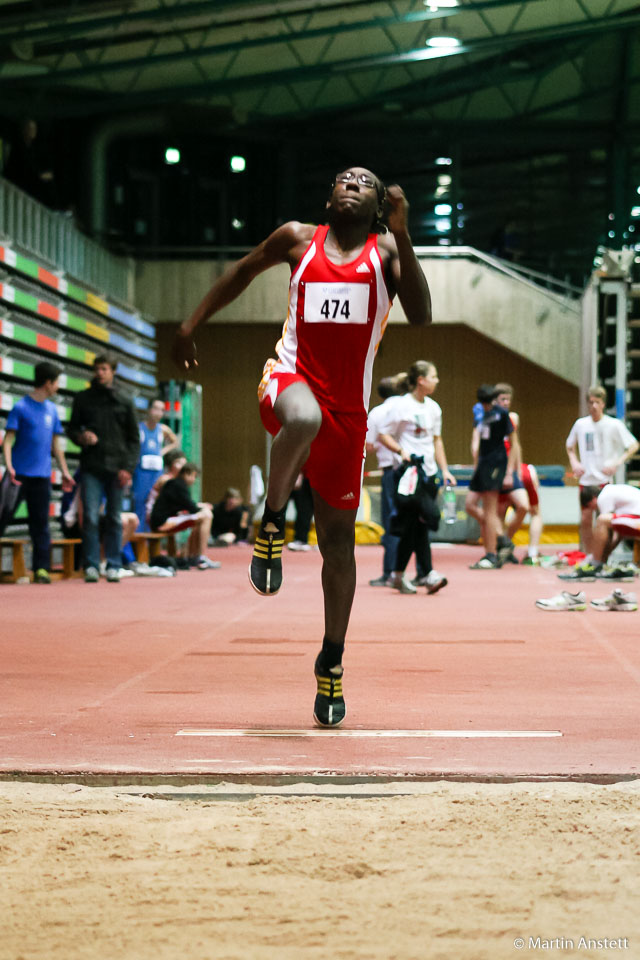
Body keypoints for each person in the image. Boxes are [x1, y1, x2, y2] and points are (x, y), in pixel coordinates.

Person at [173, 165, 431, 727]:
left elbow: (422, 314)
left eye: (364, 183)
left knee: (338, 549)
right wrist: (191, 324)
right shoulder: (296, 238)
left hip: (349, 415)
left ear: (378, 206)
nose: (350, 184)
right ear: (328, 193)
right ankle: (271, 523)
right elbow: (240, 272)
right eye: (342, 178)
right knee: (304, 416)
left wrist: (405, 235)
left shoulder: (385, 252)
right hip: (287, 384)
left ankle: (332, 659)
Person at [377, 361, 455, 594]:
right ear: (420, 380)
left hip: (429, 474)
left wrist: (445, 469)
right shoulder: (401, 406)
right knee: (427, 518)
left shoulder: (434, 408)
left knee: (416, 527)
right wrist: (402, 452)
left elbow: (437, 440)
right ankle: (426, 572)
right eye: (434, 376)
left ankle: (400, 575)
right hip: (409, 475)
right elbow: (383, 435)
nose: (437, 380)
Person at [67, 353, 140, 583]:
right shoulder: (83, 398)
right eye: (97, 369)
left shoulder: (125, 400)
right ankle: (90, 565)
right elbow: (71, 430)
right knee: (89, 516)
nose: (100, 372)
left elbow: (134, 439)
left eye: (104, 369)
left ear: (113, 371)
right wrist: (81, 436)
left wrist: (128, 467)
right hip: (92, 466)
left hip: (117, 468)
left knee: (114, 518)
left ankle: (113, 564)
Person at [1, 361, 74, 583]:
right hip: (18, 475)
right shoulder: (21, 407)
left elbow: (56, 446)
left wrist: (64, 472)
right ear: (47, 382)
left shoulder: (52, 410)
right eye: (57, 383)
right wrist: (9, 466)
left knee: (40, 524)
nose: (58, 388)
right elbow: (8, 440)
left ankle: (41, 569)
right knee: (2, 518)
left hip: (42, 477)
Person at [566, 385, 639, 556]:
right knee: (585, 519)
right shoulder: (581, 424)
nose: (594, 406)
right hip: (586, 480)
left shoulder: (613, 424)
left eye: (597, 403)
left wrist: (617, 462)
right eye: (590, 403)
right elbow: (569, 446)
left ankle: (602, 555)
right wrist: (575, 463)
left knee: (604, 520)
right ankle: (589, 554)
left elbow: (634, 445)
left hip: (604, 482)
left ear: (603, 404)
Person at [465, 384, 517, 569]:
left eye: (489, 403)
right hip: (483, 464)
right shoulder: (482, 415)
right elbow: (476, 442)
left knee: (490, 511)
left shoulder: (502, 415)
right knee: (469, 504)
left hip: (496, 464)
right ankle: (501, 538)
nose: (487, 406)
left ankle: (491, 555)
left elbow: (514, 444)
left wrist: (509, 471)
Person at [365, 372, 408, 586]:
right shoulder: (412, 405)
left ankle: (391, 571)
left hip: (392, 471)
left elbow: (369, 446)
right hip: (413, 469)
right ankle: (422, 570)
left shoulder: (378, 412)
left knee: (392, 521)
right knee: (416, 520)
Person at [494, 383, 544, 565]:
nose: (506, 403)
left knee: (527, 507)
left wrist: (515, 471)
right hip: (497, 470)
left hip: (514, 469)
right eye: (502, 399)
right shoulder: (486, 419)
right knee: (498, 512)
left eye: (508, 399)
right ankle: (503, 544)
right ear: (495, 400)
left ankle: (529, 551)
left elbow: (516, 446)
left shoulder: (513, 417)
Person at [558, 483, 640, 582]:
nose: (593, 509)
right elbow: (618, 535)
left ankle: (595, 565)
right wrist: (605, 555)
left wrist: (597, 557)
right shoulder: (614, 493)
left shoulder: (603, 497)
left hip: (637, 521)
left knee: (602, 520)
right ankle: (599, 562)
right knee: (606, 523)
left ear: (593, 498)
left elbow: (607, 529)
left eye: (590, 506)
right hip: (635, 520)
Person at [150, 462, 219, 570]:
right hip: (162, 523)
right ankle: (199, 557)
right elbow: (192, 508)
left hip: (162, 520)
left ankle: (193, 555)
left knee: (200, 517)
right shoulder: (178, 485)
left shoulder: (175, 484)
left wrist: (200, 506)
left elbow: (186, 505)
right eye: (194, 476)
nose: (194, 480)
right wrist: (202, 507)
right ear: (187, 474)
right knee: (207, 515)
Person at [132, 398, 178, 531]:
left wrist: (162, 451)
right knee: (140, 504)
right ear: (149, 410)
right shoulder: (139, 428)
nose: (159, 413)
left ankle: (153, 540)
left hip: (156, 474)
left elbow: (175, 442)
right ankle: (138, 537)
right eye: (156, 408)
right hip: (141, 473)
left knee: (155, 505)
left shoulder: (162, 429)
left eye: (162, 410)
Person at [3, 118, 57, 207]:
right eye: (30, 128)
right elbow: (25, 170)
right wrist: (40, 176)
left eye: (34, 129)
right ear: (24, 130)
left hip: (30, 182)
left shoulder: (33, 149)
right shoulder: (18, 149)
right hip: (22, 184)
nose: (33, 131)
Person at [286, 474, 315, 551]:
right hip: (295, 475)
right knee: (279, 508)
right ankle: (273, 539)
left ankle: (302, 540)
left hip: (309, 477)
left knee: (306, 509)